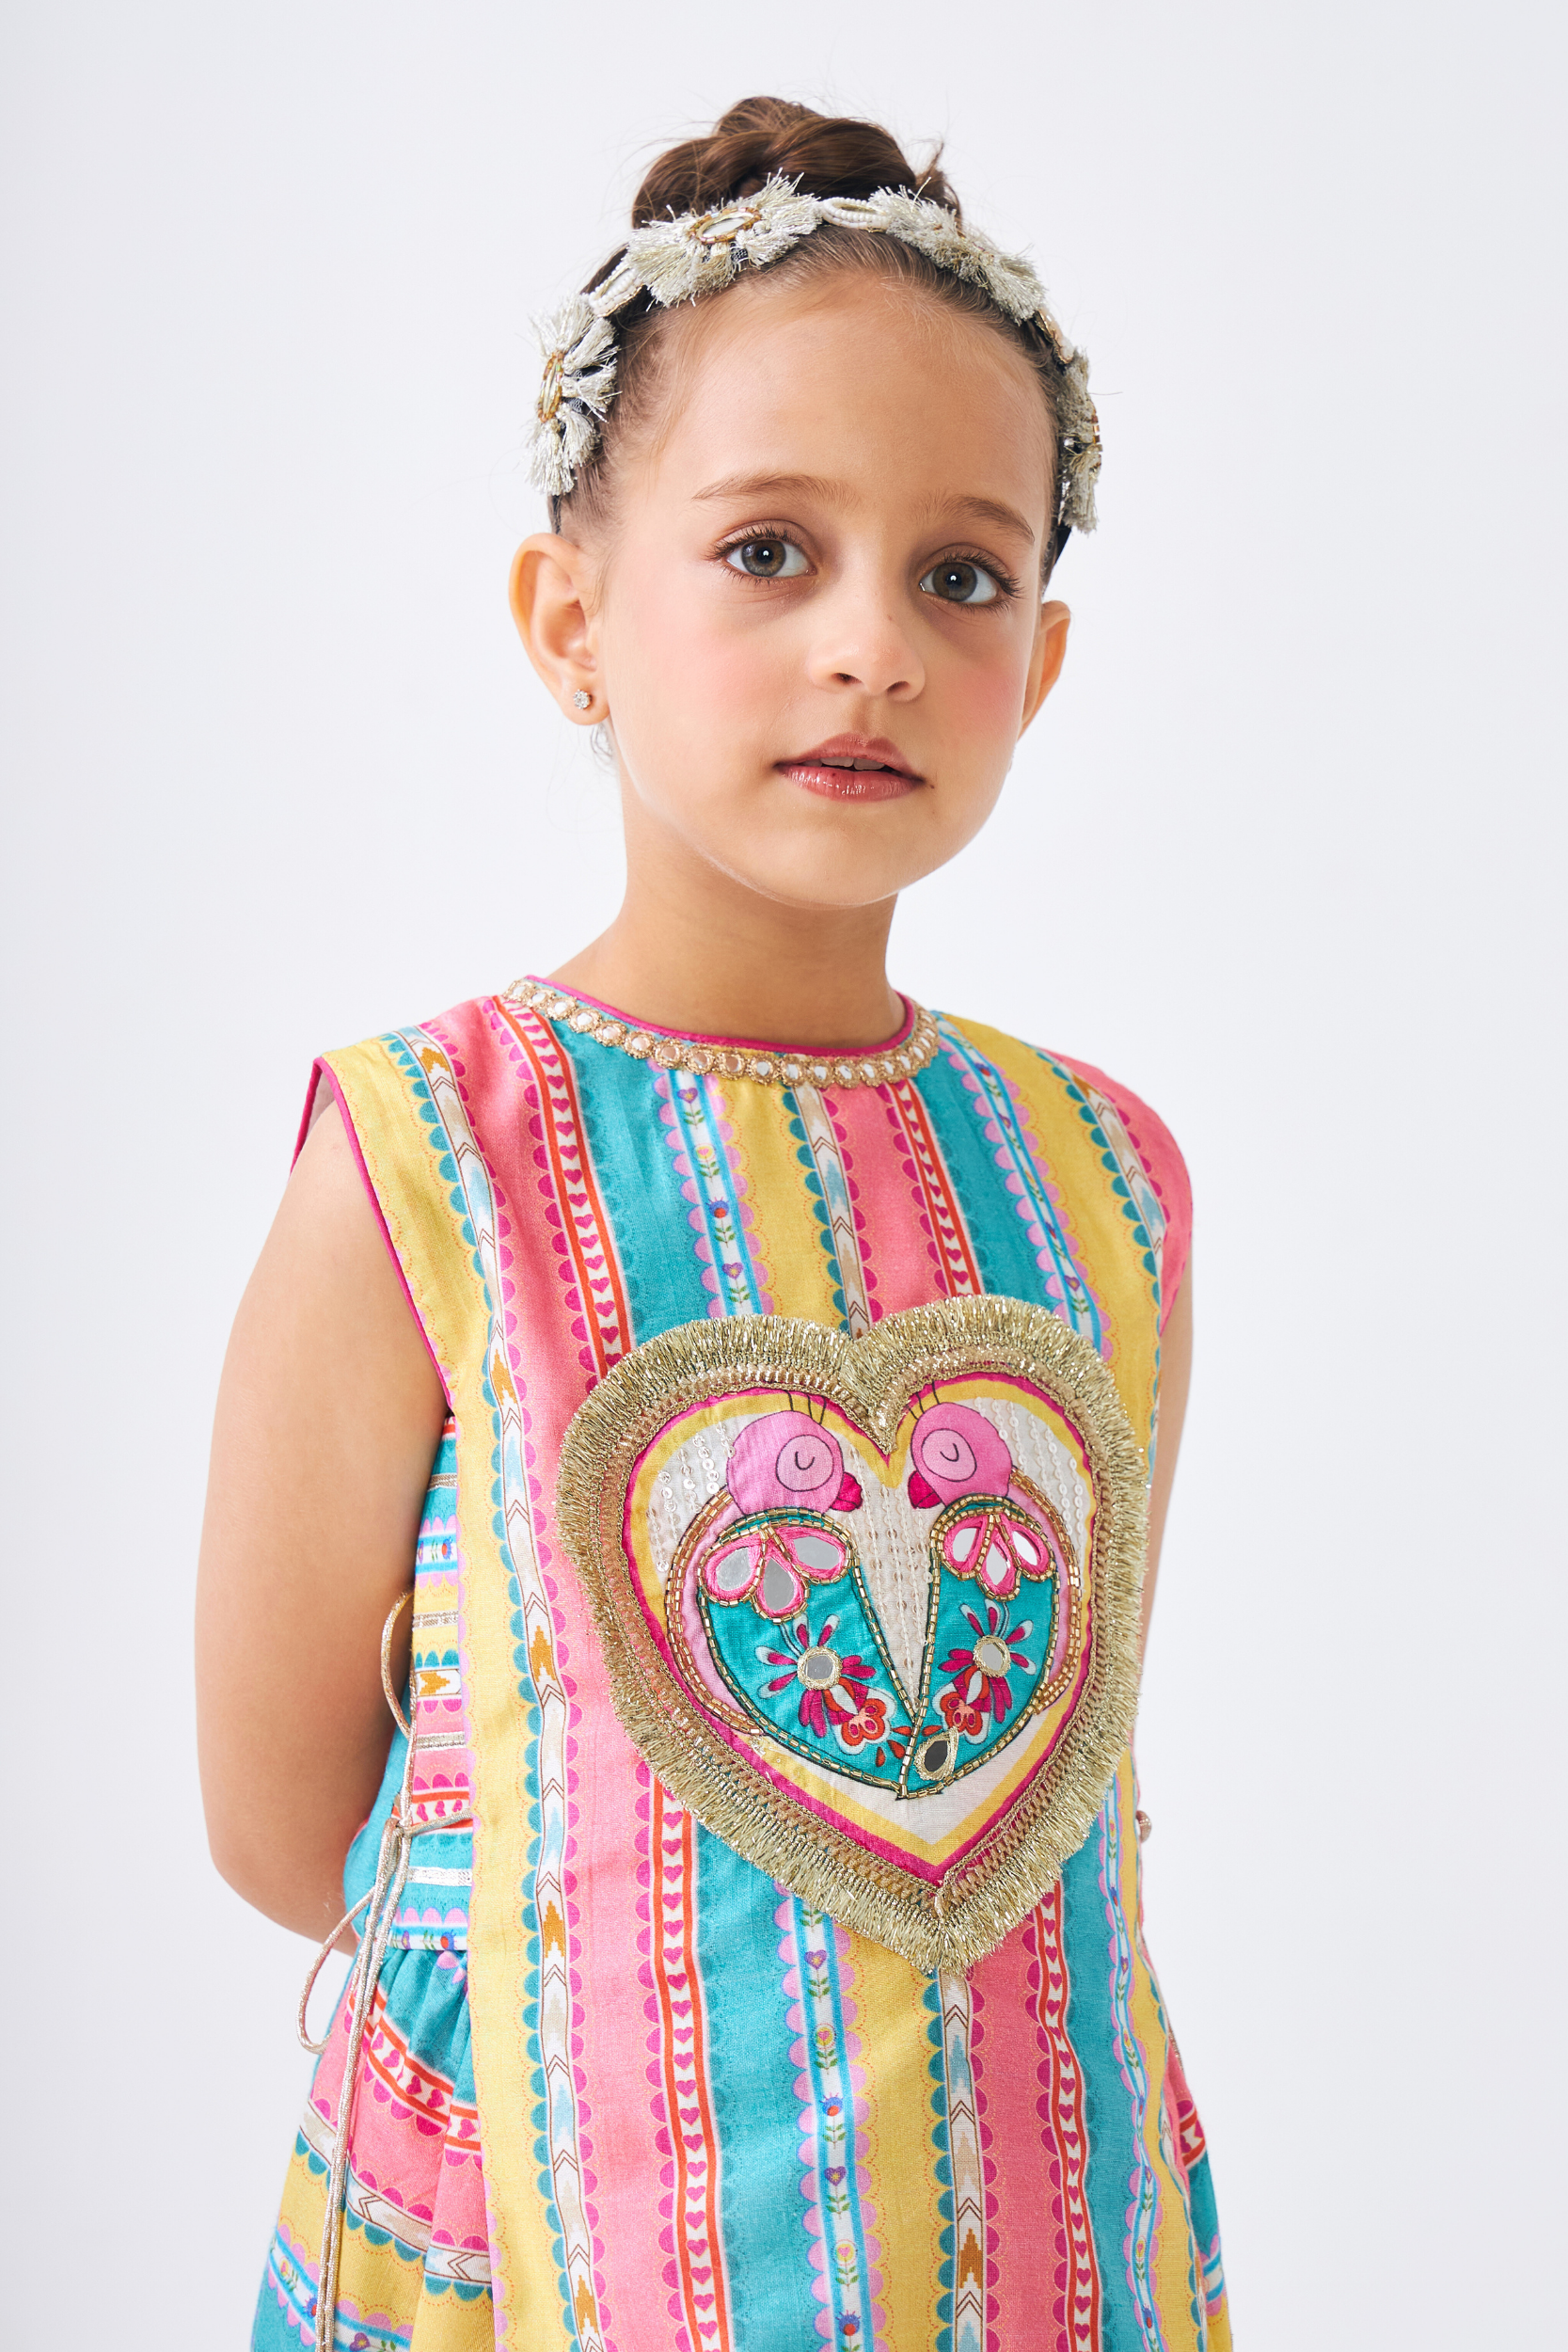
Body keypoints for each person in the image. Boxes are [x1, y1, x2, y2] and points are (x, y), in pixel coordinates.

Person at [198, 93, 1229, 2352]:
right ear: (570, 618)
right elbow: (283, 1820)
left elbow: (1059, 1779)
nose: (872, 642)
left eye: (960, 575)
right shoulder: (426, 1162)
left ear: (1040, 664)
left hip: (1034, 2243)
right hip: (545, 2252)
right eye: (769, 548)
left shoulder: (1099, 1180)